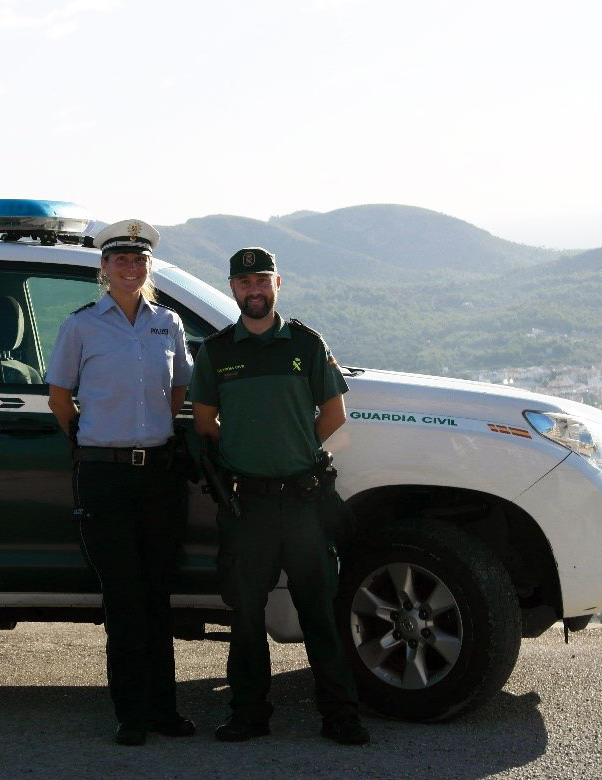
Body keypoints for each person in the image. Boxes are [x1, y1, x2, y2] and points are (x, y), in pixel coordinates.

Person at [190, 247, 370, 745]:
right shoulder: (218, 351)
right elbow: (205, 422)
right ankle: (249, 714)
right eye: (244, 282)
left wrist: (293, 449)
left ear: (277, 285)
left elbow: (333, 416)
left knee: (320, 613)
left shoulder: (307, 344)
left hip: (305, 502)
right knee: (246, 615)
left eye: (262, 280)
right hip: (247, 506)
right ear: (232, 289)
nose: (254, 290)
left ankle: (340, 717)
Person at [45, 219, 194, 746]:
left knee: (158, 596)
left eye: (140, 260)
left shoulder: (167, 323)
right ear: (103, 268)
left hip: (157, 473)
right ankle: (132, 714)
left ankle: (165, 711)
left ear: (148, 267)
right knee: (124, 598)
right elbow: (61, 396)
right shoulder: (82, 325)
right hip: (104, 476)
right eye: (121, 260)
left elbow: (178, 392)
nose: (132, 267)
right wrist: (93, 443)